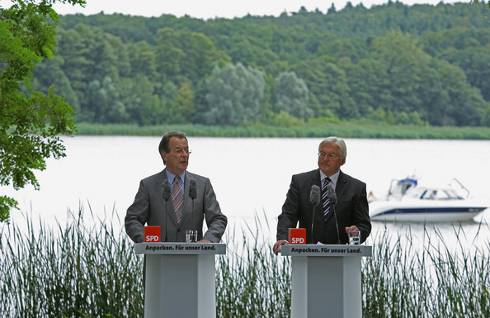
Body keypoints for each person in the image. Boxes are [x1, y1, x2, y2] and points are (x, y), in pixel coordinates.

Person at [273, 137, 371, 254]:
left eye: (331, 155)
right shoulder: (300, 182)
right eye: (322, 154)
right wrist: (283, 238)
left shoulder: (356, 187)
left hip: (341, 256)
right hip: (304, 255)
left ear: (342, 160)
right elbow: (288, 215)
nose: (325, 159)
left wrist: (357, 233)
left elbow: (363, 224)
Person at [125, 131, 227, 243]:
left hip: (194, 257)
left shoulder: (203, 185)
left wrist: (208, 240)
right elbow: (132, 220)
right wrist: (147, 239)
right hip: (158, 258)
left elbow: (218, 219)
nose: (185, 155)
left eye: (187, 150)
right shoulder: (148, 185)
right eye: (179, 151)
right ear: (165, 155)